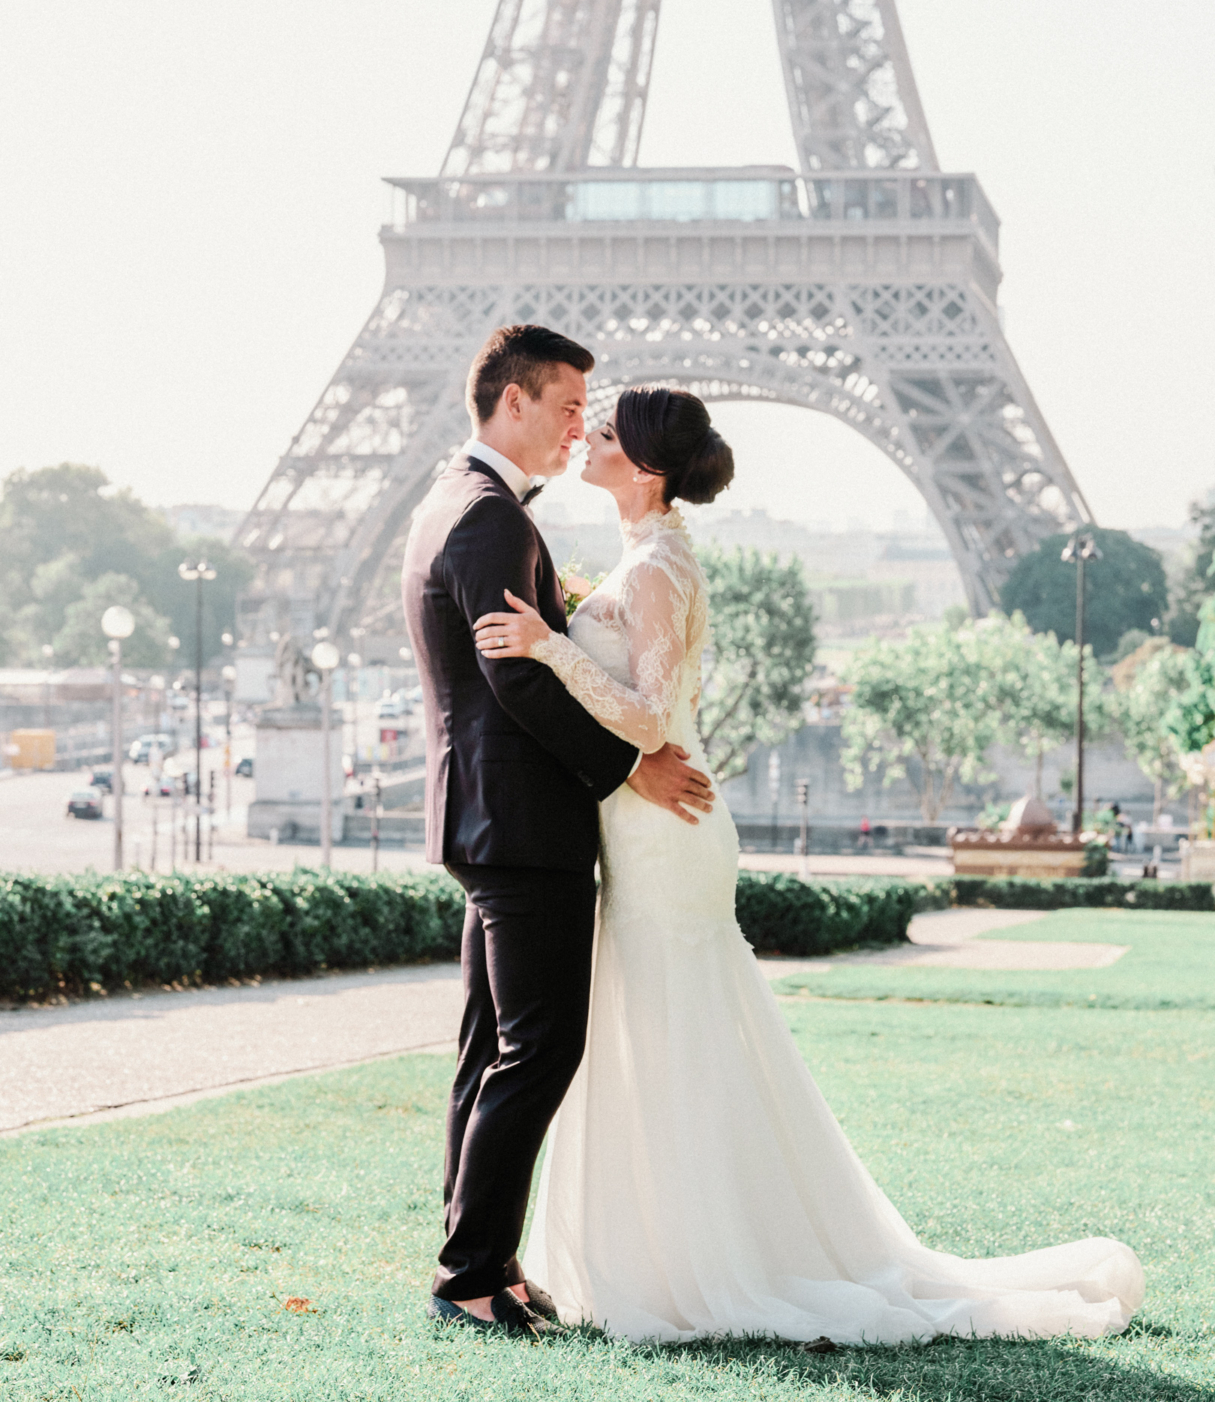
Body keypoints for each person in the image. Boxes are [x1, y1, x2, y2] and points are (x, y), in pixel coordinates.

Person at [472, 384, 1145, 1345]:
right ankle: (679, 1245)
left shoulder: (658, 563)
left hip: (667, 825)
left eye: (607, 433)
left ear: (648, 467)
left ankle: (697, 1257)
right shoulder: (644, 556)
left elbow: (652, 719)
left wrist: (547, 645)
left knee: (671, 1034)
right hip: (649, 823)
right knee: (660, 1032)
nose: (587, 439)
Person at [401, 327, 716, 1337]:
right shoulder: (490, 519)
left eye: (598, 415)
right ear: (516, 402)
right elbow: (516, 680)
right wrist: (629, 766)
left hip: (493, 814)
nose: (583, 426)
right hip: (521, 821)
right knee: (538, 1047)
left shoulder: (467, 502)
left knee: (493, 1047)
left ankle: (478, 1260)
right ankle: (472, 1272)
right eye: (572, 406)